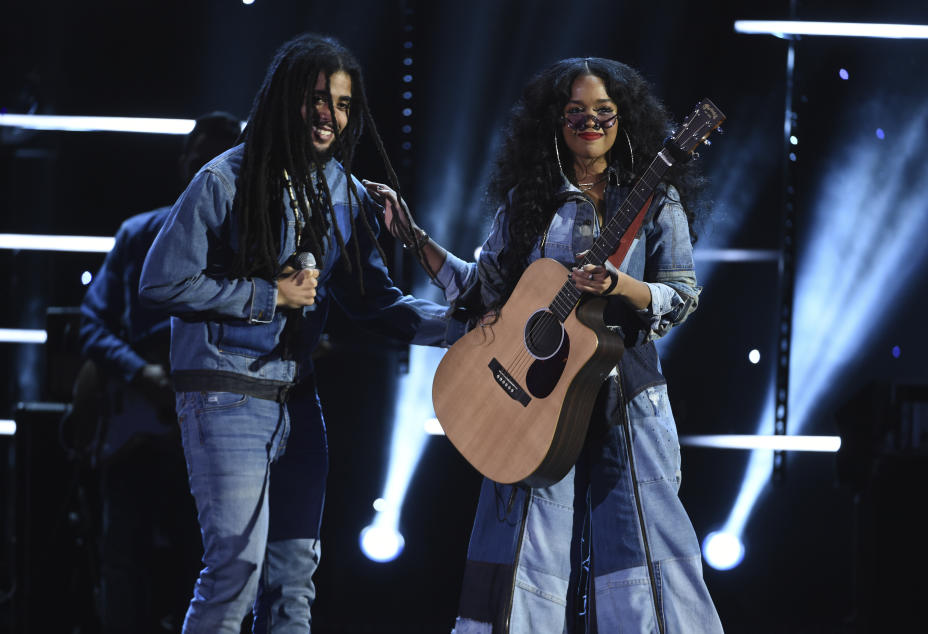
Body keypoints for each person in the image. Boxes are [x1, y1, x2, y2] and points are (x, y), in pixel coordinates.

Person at [366, 57, 723, 632]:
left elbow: (681, 295)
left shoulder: (656, 200)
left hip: (624, 388)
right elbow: (485, 292)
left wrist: (619, 284)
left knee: (647, 542)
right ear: (554, 122)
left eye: (604, 111)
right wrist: (413, 236)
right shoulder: (530, 201)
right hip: (535, 396)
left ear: (623, 118)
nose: (590, 122)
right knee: (523, 550)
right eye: (576, 111)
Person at [138, 34, 461, 633]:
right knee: (235, 570)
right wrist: (268, 295)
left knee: (292, 580)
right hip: (224, 392)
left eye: (341, 103)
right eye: (318, 96)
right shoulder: (225, 179)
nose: (329, 114)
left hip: (298, 399)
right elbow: (160, 282)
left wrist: (460, 329)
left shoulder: (343, 188)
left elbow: (373, 299)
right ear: (288, 98)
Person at [77, 111, 243, 633]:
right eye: (199, 158)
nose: (206, 169)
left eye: (217, 160)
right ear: (183, 163)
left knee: (206, 563)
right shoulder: (138, 233)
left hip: (209, 432)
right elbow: (90, 324)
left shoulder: (250, 245)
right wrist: (140, 373)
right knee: (122, 558)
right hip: (140, 430)